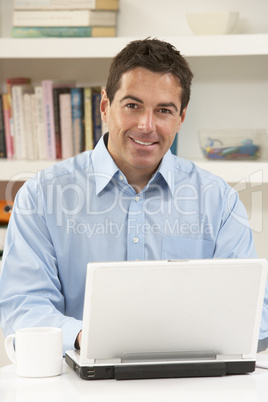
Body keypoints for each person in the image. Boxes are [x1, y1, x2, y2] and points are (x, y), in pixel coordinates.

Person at [0, 38, 267, 353]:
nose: (146, 125)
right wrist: (87, 337)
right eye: (132, 105)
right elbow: (22, 307)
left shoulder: (218, 200)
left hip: (192, 379)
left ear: (181, 118)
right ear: (105, 106)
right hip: (76, 381)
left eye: (164, 110)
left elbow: (254, 312)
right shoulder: (42, 195)